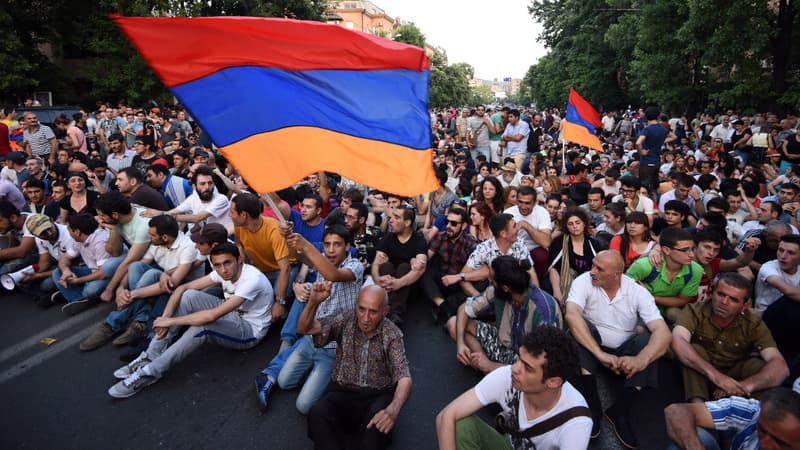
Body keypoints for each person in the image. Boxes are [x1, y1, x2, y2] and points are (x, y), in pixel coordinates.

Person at [108, 243, 274, 398]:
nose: (223, 270)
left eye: (227, 263)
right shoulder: (221, 271)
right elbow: (182, 288)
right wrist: (165, 317)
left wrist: (171, 322)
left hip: (249, 331)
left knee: (202, 328)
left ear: (239, 260)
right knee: (188, 296)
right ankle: (151, 355)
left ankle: (151, 372)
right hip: (233, 314)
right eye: (217, 265)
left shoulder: (252, 280)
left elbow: (211, 316)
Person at [566, 250, 671, 448]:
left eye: (599, 268)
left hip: (624, 349)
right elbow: (571, 315)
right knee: (576, 329)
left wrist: (642, 359)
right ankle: (593, 406)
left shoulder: (637, 292)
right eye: (593, 265)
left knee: (650, 341)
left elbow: (663, 332)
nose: (592, 271)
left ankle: (620, 410)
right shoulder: (583, 281)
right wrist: (600, 354)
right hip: (593, 345)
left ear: (617, 274)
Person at [255, 225, 363, 414]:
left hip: (333, 347)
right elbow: (300, 256)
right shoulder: (321, 260)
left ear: (347, 246)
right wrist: (289, 239)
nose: (330, 249)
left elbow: (333, 274)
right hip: (311, 338)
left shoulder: (355, 266)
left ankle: (334, 373)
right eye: (327, 244)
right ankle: (311, 370)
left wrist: (305, 245)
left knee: (303, 406)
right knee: (284, 382)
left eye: (336, 245)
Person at [436, 327, 592, 450]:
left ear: (553, 382)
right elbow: (445, 416)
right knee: (461, 425)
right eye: (519, 358)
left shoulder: (576, 421)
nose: (515, 368)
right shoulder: (507, 376)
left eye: (528, 368)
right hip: (508, 445)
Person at [302, 285, 412, 450]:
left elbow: (404, 377)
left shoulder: (392, 334)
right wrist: (313, 303)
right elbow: (306, 328)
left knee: (376, 428)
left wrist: (392, 411)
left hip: (376, 395)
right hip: (343, 390)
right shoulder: (346, 319)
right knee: (318, 413)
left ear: (385, 311)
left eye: (373, 312)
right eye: (361, 309)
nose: (365, 318)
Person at [672, 272, 789, 403]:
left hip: (734, 376)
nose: (724, 302)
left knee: (759, 365)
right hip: (701, 374)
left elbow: (780, 366)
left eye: (733, 299)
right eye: (720, 294)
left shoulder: (753, 323)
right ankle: (698, 407)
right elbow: (678, 340)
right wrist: (717, 377)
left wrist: (744, 386)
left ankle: (751, 413)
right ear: (712, 293)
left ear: (745, 306)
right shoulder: (695, 310)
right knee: (692, 351)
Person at [448, 255, 561, 374]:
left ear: (505, 288)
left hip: (528, 360)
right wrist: (461, 343)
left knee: (536, 370)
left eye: (492, 280)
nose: (490, 281)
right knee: (453, 323)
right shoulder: (499, 291)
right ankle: (486, 367)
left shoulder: (542, 310)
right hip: (506, 343)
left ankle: (492, 371)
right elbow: (463, 309)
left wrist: (491, 366)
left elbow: (544, 361)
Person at [664, 386, 800, 450]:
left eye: (781, 443)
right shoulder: (754, 411)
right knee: (688, 435)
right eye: (762, 431)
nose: (764, 444)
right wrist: (694, 447)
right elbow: (676, 411)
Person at [626, 227, 702, 322]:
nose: (692, 255)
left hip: (669, 309)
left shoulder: (695, 270)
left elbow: (682, 300)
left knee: (675, 315)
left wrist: (650, 297)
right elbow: (624, 291)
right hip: (639, 308)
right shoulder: (644, 266)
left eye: (692, 249)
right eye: (685, 250)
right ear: (666, 250)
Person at [372, 204, 427, 325]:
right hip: (387, 286)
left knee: (404, 267)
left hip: (409, 289)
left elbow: (420, 269)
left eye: (396, 217)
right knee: (386, 266)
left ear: (407, 222)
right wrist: (377, 279)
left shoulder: (419, 240)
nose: (391, 220)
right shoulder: (387, 238)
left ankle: (394, 311)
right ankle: (394, 311)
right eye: (392, 217)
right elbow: (376, 264)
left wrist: (398, 283)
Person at [52, 214, 114, 316]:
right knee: (57, 273)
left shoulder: (100, 241)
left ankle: (78, 294)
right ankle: (78, 298)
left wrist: (78, 281)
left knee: (90, 291)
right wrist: (66, 271)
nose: (68, 232)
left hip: (108, 275)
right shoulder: (78, 239)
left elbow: (103, 273)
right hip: (92, 270)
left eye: (69, 230)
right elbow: (65, 258)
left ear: (77, 232)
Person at [142, 166, 234, 234]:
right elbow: (176, 211)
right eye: (202, 184)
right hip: (208, 237)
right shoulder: (194, 197)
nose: (207, 187)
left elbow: (197, 218)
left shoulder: (221, 199)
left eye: (210, 183)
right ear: (194, 186)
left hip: (226, 238)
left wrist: (161, 214)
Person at [423, 208, 477, 324]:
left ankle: (441, 306)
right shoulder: (440, 236)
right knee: (424, 270)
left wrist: (459, 277)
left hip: (459, 283)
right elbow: (427, 257)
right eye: (447, 222)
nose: (448, 226)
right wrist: (417, 260)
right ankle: (444, 307)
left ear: (463, 226)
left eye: (453, 223)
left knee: (477, 284)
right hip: (441, 280)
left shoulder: (470, 243)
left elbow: (477, 269)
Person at [755, 234, 800, 371]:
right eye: (780, 250)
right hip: (767, 318)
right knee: (790, 300)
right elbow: (788, 291)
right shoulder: (768, 268)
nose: (783, 256)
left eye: (790, 252)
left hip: (792, 322)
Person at [547, 208, 600, 304]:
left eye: (577, 222)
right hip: (564, 285)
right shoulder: (559, 243)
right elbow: (553, 268)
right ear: (566, 227)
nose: (575, 226)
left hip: (589, 287)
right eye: (570, 224)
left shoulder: (594, 245)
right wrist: (557, 291)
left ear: (584, 223)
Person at [504, 186, 553, 282]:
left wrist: (525, 225)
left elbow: (546, 242)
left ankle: (538, 283)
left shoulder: (542, 213)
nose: (523, 206)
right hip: (513, 248)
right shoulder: (508, 212)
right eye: (520, 202)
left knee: (541, 256)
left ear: (534, 203)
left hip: (534, 248)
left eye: (527, 203)